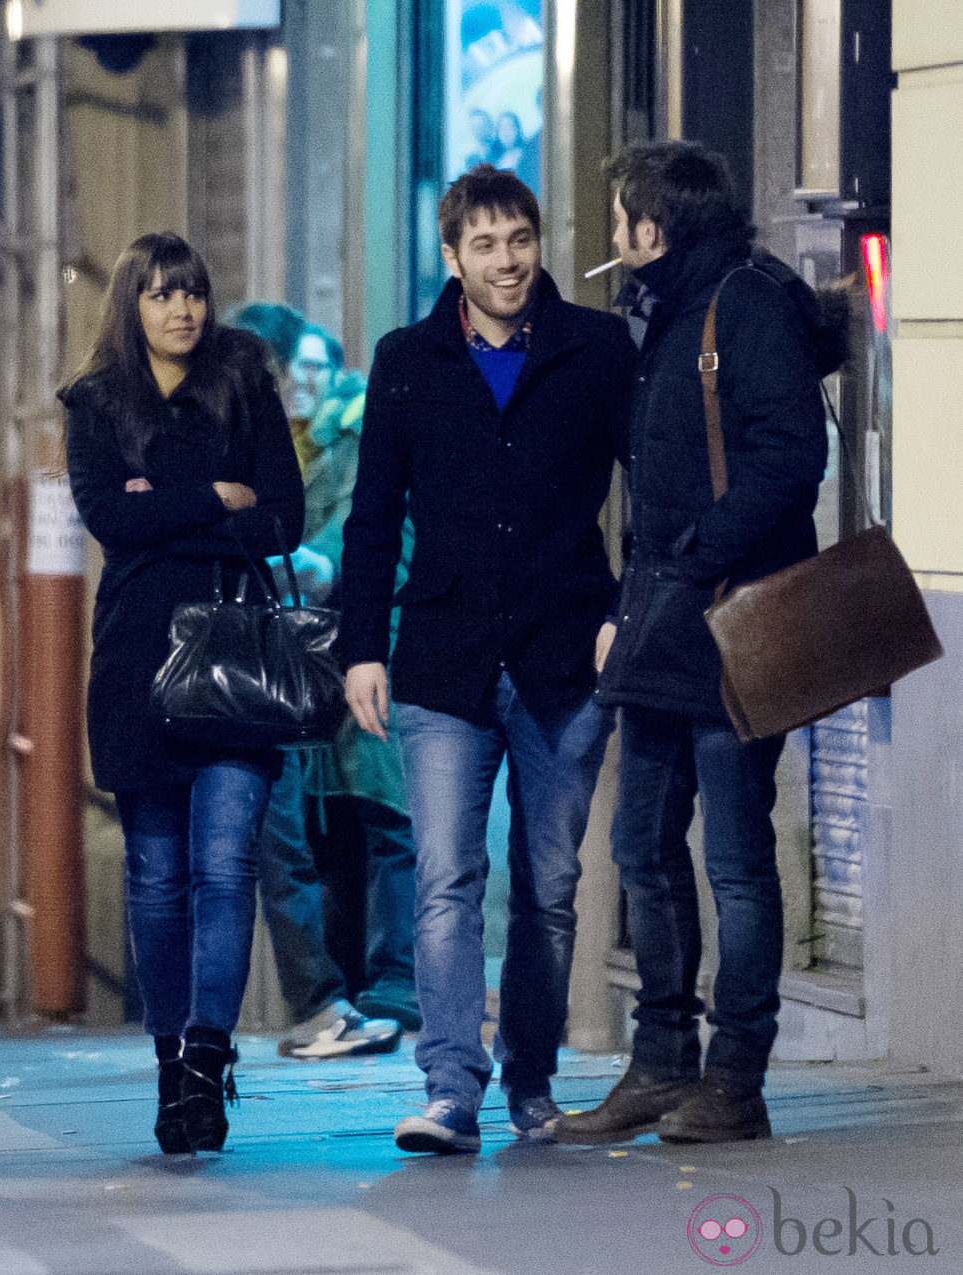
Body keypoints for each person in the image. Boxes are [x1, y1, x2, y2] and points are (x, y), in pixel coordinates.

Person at [341, 164, 635, 1154]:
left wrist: (625, 610)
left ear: (537, 241)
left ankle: (530, 1082)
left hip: (564, 655)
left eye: (519, 239)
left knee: (549, 887)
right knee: (445, 877)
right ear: (451, 257)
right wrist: (359, 652)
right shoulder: (407, 360)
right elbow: (373, 516)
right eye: (484, 245)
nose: (505, 261)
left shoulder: (596, 349)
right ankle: (449, 1090)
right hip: (442, 659)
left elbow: (654, 490)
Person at [554, 141, 829, 1147]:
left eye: (621, 215)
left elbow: (791, 455)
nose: (613, 234)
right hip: (665, 619)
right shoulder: (665, 309)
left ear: (653, 223)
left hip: (732, 618)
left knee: (734, 858)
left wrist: (692, 551)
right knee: (639, 844)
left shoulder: (740, 304)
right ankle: (660, 1064)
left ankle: (732, 1078)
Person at [63, 233, 304, 1155]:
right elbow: (111, 517)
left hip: (236, 654)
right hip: (133, 662)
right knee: (158, 879)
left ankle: (207, 1059)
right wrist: (213, 493)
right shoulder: (96, 402)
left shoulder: (243, 377)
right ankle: (173, 1065)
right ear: (133, 305)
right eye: (164, 296)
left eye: (195, 293)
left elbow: (284, 513)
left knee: (226, 864)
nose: (184, 311)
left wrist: (167, 505)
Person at [227, 304, 420, 1059]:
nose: (300, 384)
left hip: (364, 644)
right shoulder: (286, 441)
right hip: (308, 657)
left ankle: (392, 985)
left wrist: (322, 563)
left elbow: (377, 523)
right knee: (331, 823)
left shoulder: (354, 428)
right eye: (289, 372)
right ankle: (345, 993)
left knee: (385, 811)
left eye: (311, 367)